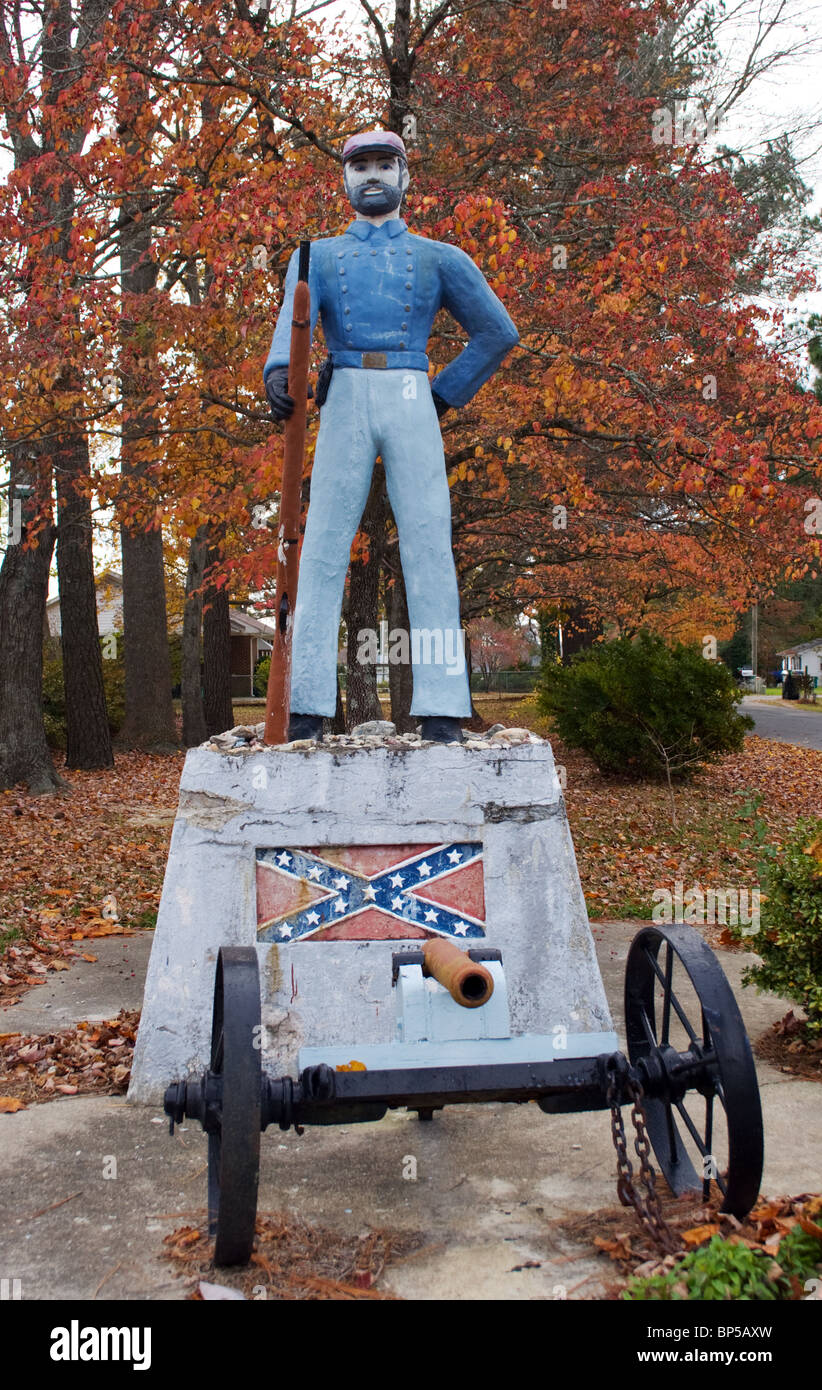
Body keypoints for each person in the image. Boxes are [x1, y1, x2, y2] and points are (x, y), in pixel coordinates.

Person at [263, 129, 519, 742]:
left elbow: (497, 331)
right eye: (360, 167)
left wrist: (442, 392)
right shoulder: (315, 256)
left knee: (428, 546)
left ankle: (442, 707)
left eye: (384, 164)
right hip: (345, 390)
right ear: (345, 179)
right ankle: (307, 706)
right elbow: (290, 330)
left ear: (405, 176)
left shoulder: (440, 257)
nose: (372, 176)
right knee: (321, 546)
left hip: (410, 390)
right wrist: (279, 373)